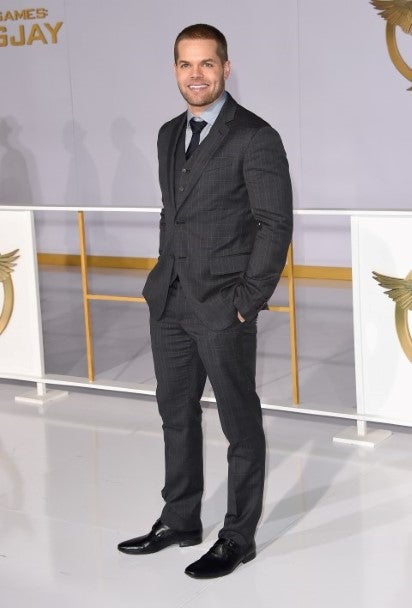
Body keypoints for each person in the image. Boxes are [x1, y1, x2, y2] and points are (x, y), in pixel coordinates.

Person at [118, 23, 293, 578]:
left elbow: (274, 225)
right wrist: (161, 280)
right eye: (186, 64)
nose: (196, 75)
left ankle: (238, 536)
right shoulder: (169, 133)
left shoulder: (256, 136)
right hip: (170, 302)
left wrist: (246, 301)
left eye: (207, 64)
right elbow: (173, 213)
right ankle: (180, 519)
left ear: (226, 67)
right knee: (175, 415)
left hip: (223, 306)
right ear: (175, 70)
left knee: (240, 423)